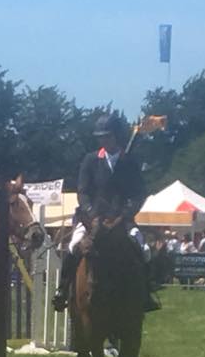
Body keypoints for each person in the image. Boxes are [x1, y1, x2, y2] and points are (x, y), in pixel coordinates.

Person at [52, 112, 160, 312]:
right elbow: (83, 191)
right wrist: (91, 212)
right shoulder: (90, 160)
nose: (104, 140)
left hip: (122, 218)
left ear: (116, 136)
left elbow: (138, 194)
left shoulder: (129, 162)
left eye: (107, 136)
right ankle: (62, 289)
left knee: (142, 248)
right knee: (74, 245)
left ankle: (146, 292)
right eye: (101, 137)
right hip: (92, 217)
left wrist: (126, 213)